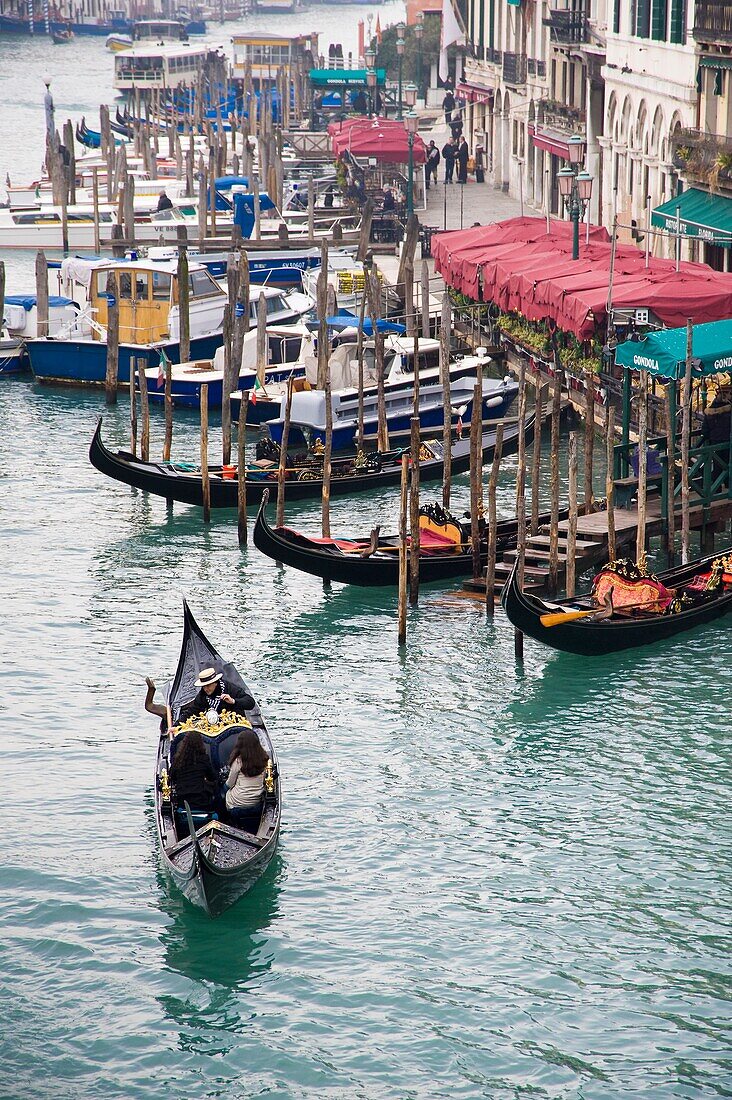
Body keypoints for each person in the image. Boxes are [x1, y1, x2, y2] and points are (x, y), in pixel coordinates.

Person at [224, 727, 271, 832]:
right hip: (256, 801)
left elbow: (230, 784)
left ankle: (222, 821)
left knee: (222, 792)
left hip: (237, 802)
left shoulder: (238, 761)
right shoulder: (264, 759)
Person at [178, 666, 255, 724]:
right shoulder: (202, 695)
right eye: (204, 686)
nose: (205, 689)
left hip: (233, 726)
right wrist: (176, 726)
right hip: (212, 729)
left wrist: (233, 701)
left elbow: (251, 703)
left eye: (208, 685)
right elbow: (191, 711)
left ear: (215, 682)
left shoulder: (230, 689)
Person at [169, 728, 218, 811]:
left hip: (182, 800)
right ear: (200, 744)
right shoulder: (204, 759)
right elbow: (212, 777)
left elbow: (172, 776)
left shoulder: (178, 759)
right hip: (201, 800)